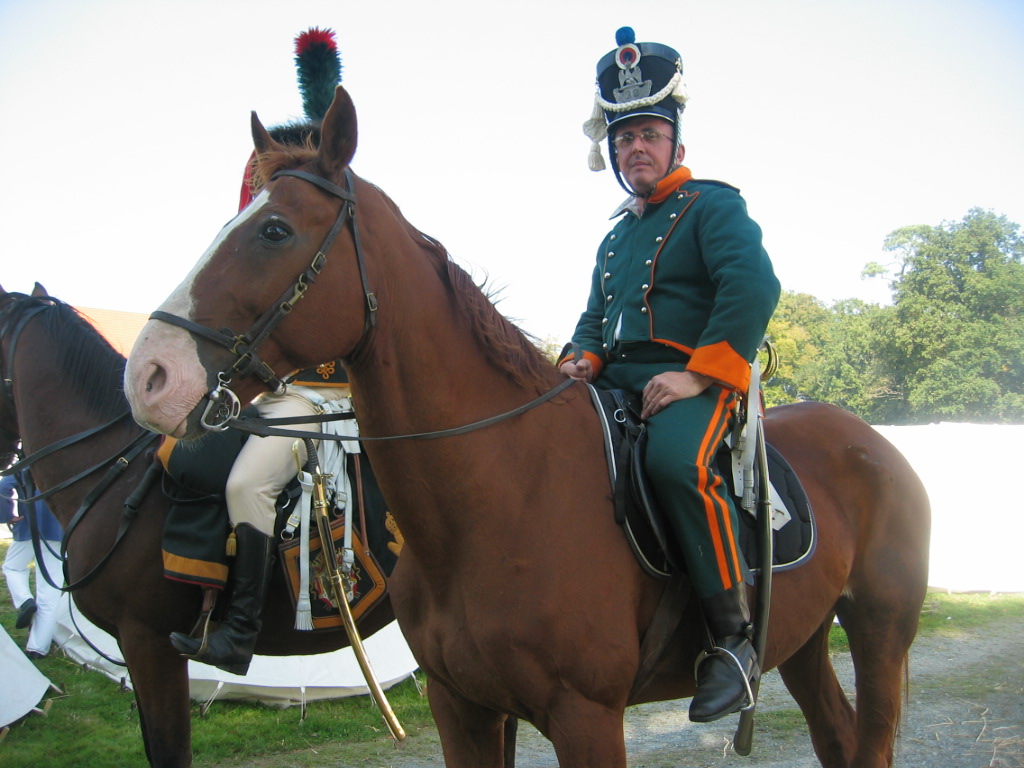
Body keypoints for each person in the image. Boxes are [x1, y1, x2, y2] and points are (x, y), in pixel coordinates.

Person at [559, 27, 781, 723]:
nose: (637, 148)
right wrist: (579, 359)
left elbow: (753, 287)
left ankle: (733, 639)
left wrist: (698, 376)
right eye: (625, 138)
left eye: (650, 135)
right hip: (615, 385)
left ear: (676, 147)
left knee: (677, 463)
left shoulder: (712, 206)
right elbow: (595, 319)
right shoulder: (614, 236)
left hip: (694, 382)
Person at [170, 28, 350, 676]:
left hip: (320, 395)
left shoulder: (335, 236)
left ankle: (240, 630)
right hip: (265, 391)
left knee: (249, 483)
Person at [1, 469, 64, 660]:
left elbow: (3, 486)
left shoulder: (26, 464)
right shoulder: (60, 460)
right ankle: (38, 648)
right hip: (57, 529)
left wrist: (7, 515)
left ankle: (25, 600)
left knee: (12, 567)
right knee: (50, 590)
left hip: (28, 524)